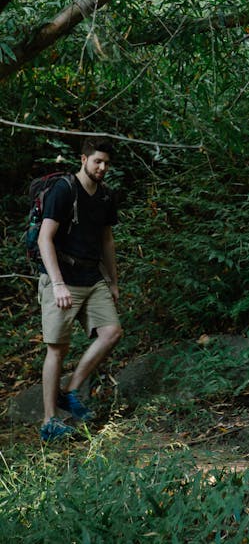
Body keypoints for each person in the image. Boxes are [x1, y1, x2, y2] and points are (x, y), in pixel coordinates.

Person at [37, 137, 123, 441]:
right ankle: (50, 421)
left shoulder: (105, 196)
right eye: (97, 161)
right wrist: (57, 283)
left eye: (107, 163)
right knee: (57, 348)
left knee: (111, 332)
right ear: (84, 158)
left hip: (92, 276)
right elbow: (44, 238)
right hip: (62, 277)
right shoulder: (64, 190)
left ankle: (71, 390)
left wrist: (112, 281)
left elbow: (107, 240)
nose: (102, 168)